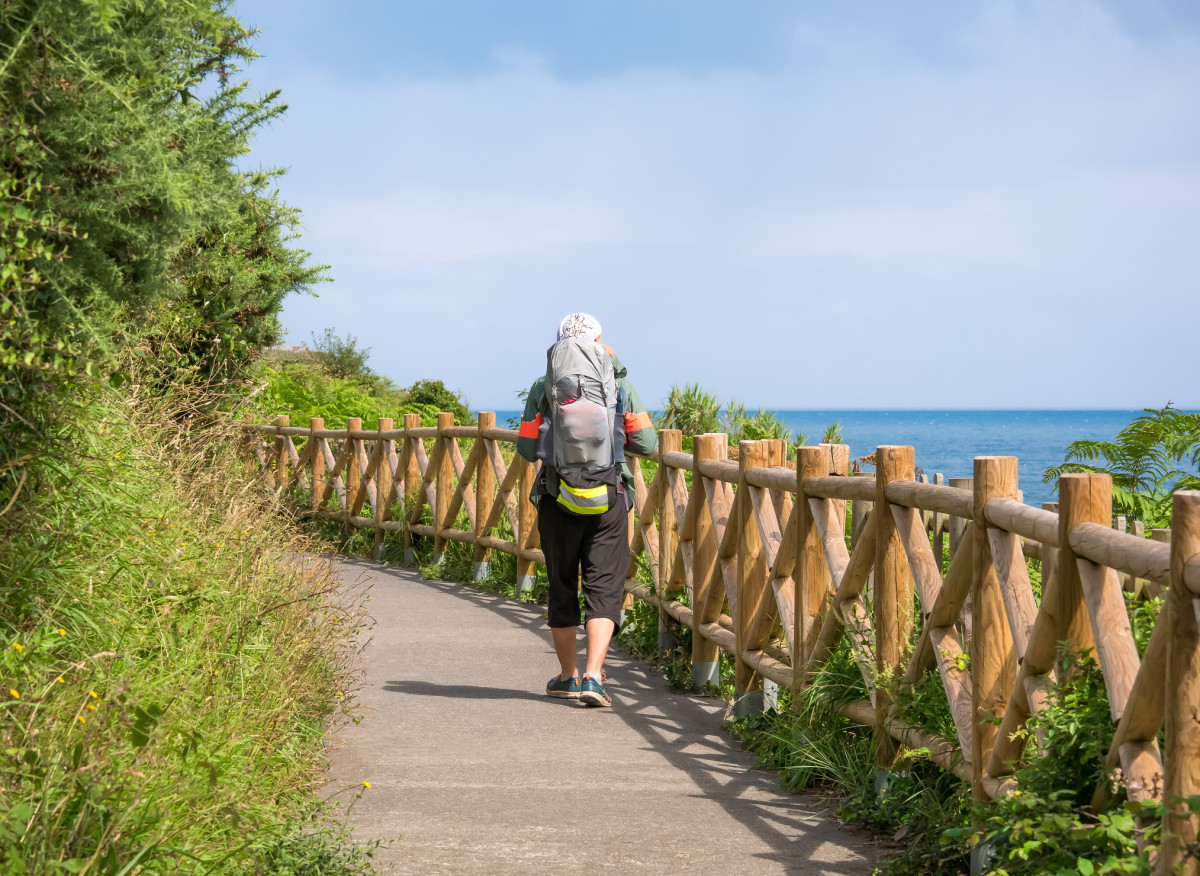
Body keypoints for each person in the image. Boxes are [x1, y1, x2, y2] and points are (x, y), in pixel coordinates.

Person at [515, 313, 657, 707]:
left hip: (557, 497)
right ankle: (594, 677)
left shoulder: (542, 387)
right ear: (599, 342)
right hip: (608, 497)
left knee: (563, 584)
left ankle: (567, 676)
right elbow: (648, 443)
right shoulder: (620, 384)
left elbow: (527, 450)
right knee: (604, 586)